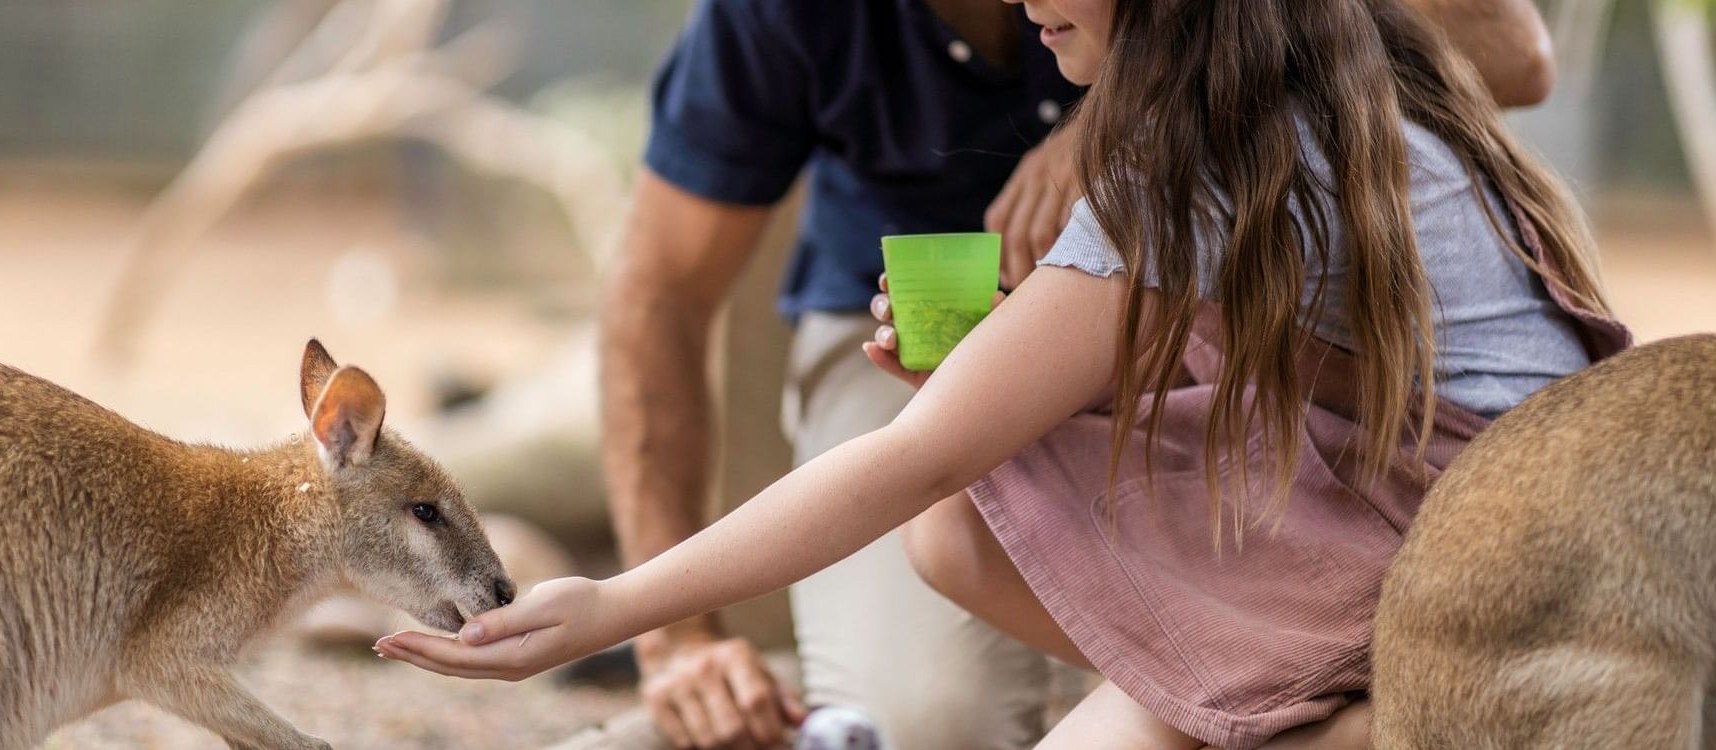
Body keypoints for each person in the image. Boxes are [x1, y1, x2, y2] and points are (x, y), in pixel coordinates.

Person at [554, 0, 1566, 748]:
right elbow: (664, 295)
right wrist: (671, 633)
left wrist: (611, 605)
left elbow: (916, 454)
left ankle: (1327, 722)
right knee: (957, 537)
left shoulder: (1178, 159)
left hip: (1465, 542)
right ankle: (1257, 699)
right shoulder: (1288, 82)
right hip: (1442, 491)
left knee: (949, 505)